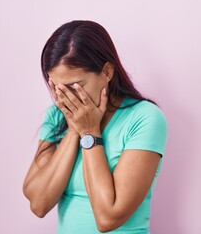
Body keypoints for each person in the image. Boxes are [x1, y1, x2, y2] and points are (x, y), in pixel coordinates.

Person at [23, 20, 168, 234]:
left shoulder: (145, 118)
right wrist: (75, 129)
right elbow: (38, 203)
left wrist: (90, 133)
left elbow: (107, 218)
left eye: (75, 86)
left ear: (107, 72)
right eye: (57, 88)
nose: (66, 98)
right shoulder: (56, 115)